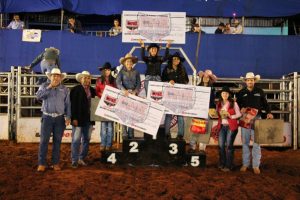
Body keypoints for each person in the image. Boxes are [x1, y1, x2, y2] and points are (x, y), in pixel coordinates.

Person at [236, 72, 273, 174]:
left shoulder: (259, 91)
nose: (250, 82)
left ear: (254, 81)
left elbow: (265, 103)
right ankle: (245, 164)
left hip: (257, 118)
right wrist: (241, 109)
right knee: (245, 143)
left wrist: (269, 112)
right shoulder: (241, 92)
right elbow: (237, 106)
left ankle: (256, 165)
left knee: (257, 143)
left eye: (251, 80)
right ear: (246, 81)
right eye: (248, 80)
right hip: (245, 119)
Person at [36, 68, 71, 172]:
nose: (56, 77)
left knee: (57, 141)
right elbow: (38, 96)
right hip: (47, 117)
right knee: (44, 141)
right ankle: (42, 163)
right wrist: (49, 87)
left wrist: (68, 117)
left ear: (60, 77)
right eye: (54, 75)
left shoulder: (65, 89)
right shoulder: (44, 86)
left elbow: (68, 104)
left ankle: (55, 163)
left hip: (60, 118)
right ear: (50, 77)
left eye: (57, 75)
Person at [70, 71, 96, 168]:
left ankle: (81, 158)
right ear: (81, 79)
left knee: (87, 139)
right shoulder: (75, 90)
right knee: (76, 140)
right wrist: (74, 118)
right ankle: (74, 160)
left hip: (89, 119)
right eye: (84, 78)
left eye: (88, 78)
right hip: (78, 119)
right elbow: (72, 105)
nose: (86, 80)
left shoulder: (93, 91)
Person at [162, 52, 189, 140]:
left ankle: (180, 135)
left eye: (177, 59)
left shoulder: (183, 69)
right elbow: (162, 80)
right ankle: (166, 134)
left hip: (180, 95)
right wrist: (168, 82)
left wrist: (182, 85)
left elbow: (186, 80)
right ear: (171, 60)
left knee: (180, 115)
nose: (176, 60)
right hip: (169, 95)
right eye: (174, 59)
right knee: (169, 114)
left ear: (179, 61)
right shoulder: (166, 68)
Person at [189, 69, 217, 152]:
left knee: (206, 129)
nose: (206, 78)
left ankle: (202, 148)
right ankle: (192, 147)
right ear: (202, 78)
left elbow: (212, 100)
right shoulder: (197, 86)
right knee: (195, 128)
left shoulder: (212, 89)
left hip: (208, 110)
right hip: (199, 110)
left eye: (208, 77)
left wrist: (212, 110)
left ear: (210, 79)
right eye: (205, 76)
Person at [216, 86, 241, 172]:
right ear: (221, 94)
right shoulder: (219, 104)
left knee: (229, 146)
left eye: (226, 93)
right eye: (223, 93)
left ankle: (229, 165)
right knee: (221, 146)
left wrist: (230, 116)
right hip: (222, 126)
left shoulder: (234, 103)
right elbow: (219, 115)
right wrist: (214, 115)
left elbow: (239, 114)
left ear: (229, 94)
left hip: (231, 126)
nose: (225, 94)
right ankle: (222, 163)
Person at [116, 53, 141, 139]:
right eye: (127, 61)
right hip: (124, 94)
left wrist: (135, 91)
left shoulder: (136, 72)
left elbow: (139, 84)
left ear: (132, 63)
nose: (129, 63)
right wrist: (124, 90)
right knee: (123, 114)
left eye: (130, 61)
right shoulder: (121, 72)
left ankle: (131, 132)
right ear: (125, 63)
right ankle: (124, 133)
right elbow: (118, 83)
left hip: (133, 95)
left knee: (132, 115)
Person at [96, 62, 116, 151]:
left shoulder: (114, 80)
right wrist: (103, 96)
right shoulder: (99, 80)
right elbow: (97, 91)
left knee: (110, 126)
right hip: (102, 104)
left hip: (111, 104)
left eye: (108, 70)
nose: (107, 71)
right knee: (103, 126)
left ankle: (109, 144)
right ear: (103, 71)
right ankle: (103, 143)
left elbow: (116, 91)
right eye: (105, 70)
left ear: (110, 71)